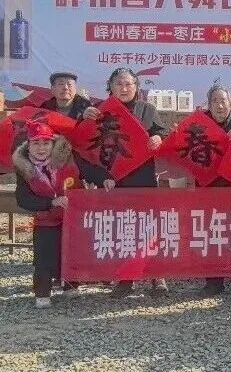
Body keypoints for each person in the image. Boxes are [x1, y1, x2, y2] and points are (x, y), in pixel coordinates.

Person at [83, 68, 169, 298]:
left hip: (143, 178)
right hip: (112, 180)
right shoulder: (99, 111)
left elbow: (162, 133)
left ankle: (156, 276)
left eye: (128, 84)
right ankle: (125, 278)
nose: (124, 88)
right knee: (121, 229)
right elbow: (85, 145)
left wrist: (158, 137)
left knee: (149, 228)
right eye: (118, 84)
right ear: (110, 87)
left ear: (136, 87)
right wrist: (83, 116)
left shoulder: (147, 110)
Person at [14, 121, 81, 308]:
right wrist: (50, 203)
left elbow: (89, 170)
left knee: (70, 251)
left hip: (70, 218)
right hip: (45, 220)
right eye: (36, 143)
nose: (41, 148)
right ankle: (42, 292)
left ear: (53, 144)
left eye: (46, 143)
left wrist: (105, 179)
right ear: (29, 145)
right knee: (43, 257)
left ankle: (70, 285)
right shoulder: (24, 168)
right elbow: (23, 199)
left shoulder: (68, 158)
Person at [199, 84, 231, 298]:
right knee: (212, 235)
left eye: (223, 101)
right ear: (209, 104)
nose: (220, 106)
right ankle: (214, 281)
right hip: (210, 189)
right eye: (215, 101)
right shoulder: (199, 125)